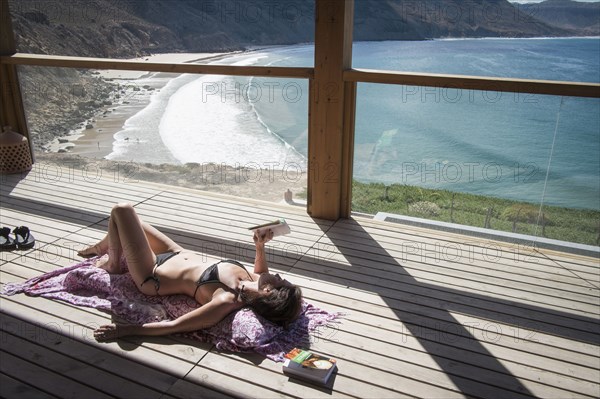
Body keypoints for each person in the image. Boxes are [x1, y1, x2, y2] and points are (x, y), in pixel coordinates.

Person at [78, 203, 303, 342]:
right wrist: (260, 246)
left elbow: (176, 326)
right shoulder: (254, 281)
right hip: (174, 252)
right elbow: (260, 271)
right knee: (130, 222)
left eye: (281, 281)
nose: (281, 277)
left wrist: (126, 331)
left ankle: (113, 265)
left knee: (122, 210)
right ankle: (101, 247)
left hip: (151, 273)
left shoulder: (227, 299)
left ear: (267, 291)